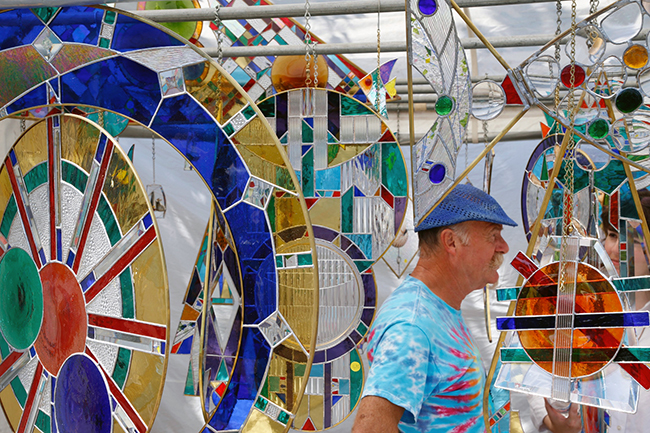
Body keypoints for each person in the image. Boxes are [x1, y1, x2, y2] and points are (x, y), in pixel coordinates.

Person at [351, 183, 517, 433]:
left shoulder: (437, 309)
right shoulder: (413, 326)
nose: (503, 247)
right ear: (451, 242)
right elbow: (370, 428)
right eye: (493, 235)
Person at [527, 189, 650, 433]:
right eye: (611, 235)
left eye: (627, 240)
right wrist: (553, 420)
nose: (613, 249)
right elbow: (537, 372)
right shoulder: (588, 302)